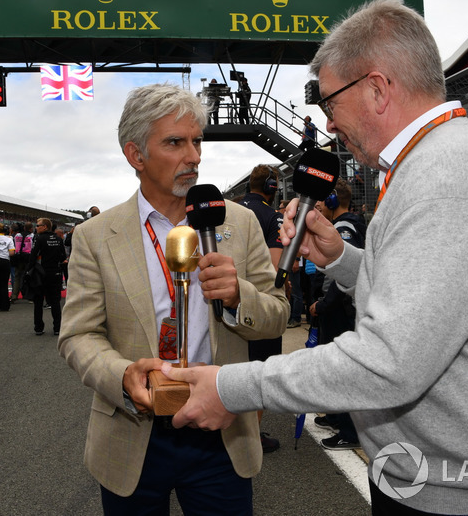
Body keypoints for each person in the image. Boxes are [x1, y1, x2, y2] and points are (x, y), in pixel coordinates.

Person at [163, 0, 468, 516]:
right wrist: (340, 258)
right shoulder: (430, 162)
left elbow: (390, 361)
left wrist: (233, 386)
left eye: (329, 103)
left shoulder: (448, 177)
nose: (328, 124)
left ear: (378, 88)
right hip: (439, 476)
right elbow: (424, 301)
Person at [58, 83, 288, 515]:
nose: (194, 156)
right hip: (134, 431)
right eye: (175, 142)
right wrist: (123, 375)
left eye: (197, 141)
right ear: (136, 155)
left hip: (221, 428)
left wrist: (241, 296)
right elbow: (78, 336)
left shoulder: (238, 222)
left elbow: (277, 315)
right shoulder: (94, 237)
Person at [308, 179, 364, 451]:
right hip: (341, 307)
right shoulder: (344, 223)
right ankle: (336, 417)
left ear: (332, 202)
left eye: (322, 202)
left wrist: (323, 304)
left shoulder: (344, 227)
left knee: (341, 368)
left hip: (341, 310)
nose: (319, 207)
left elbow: (339, 278)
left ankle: (350, 430)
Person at [239, 164, 285, 453]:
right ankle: (250, 436)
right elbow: (275, 267)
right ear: (270, 186)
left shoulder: (230, 209)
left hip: (225, 303)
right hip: (259, 304)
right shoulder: (272, 216)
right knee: (259, 373)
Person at [29, 217, 66, 336]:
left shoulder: (39, 239)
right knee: (55, 302)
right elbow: (63, 257)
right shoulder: (58, 239)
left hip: (41, 274)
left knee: (38, 301)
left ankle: (38, 328)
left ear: (45, 226)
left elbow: (33, 256)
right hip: (55, 273)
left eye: (38, 225)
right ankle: (57, 328)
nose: (36, 227)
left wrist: (28, 270)